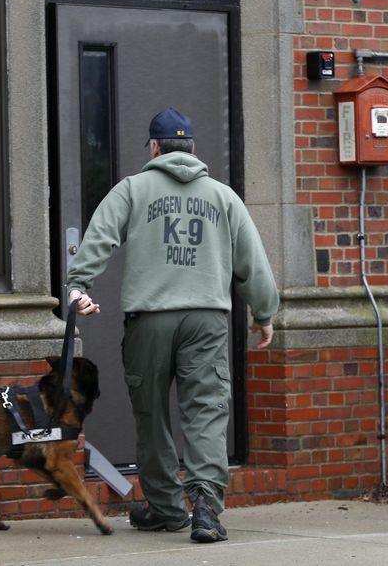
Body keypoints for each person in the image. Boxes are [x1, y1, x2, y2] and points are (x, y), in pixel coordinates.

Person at [66, 107, 278, 543]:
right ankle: (205, 509)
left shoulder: (132, 190)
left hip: (149, 320)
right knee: (205, 414)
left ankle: (166, 509)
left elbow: (98, 236)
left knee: (151, 416)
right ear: (193, 149)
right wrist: (263, 312)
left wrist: (78, 285)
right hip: (207, 319)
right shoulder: (224, 197)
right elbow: (253, 263)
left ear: (155, 148)